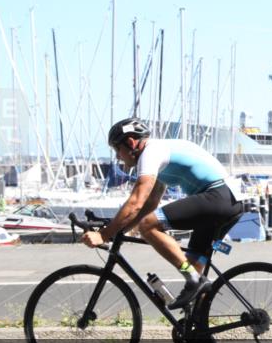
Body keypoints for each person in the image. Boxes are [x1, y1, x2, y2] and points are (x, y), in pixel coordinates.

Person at [82, 117, 243, 310]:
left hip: (218, 197)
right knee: (193, 269)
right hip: (227, 202)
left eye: (117, 150)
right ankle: (199, 332)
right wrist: (123, 228)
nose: (118, 157)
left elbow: (136, 201)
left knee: (149, 226)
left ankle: (194, 279)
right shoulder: (160, 153)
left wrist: (104, 234)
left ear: (131, 143)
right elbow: (150, 203)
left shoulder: (151, 153)